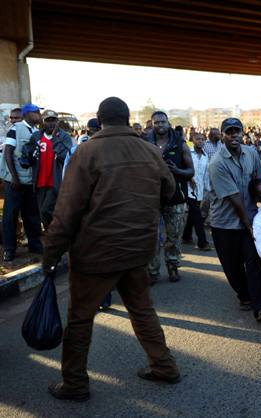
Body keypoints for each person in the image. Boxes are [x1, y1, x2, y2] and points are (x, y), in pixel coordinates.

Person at [42, 97, 180, 402]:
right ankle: (164, 365)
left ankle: (75, 383)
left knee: (80, 319)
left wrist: (50, 255)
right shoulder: (149, 151)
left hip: (96, 254)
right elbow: (169, 191)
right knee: (142, 310)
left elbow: (67, 212)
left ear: (101, 120)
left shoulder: (87, 152)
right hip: (138, 250)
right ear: (126, 118)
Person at [207, 117, 261, 322]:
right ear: (222, 135)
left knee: (253, 262)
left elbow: (260, 182)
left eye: (237, 131)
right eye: (229, 132)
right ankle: (244, 295)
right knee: (232, 266)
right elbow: (235, 199)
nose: (234, 135)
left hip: (250, 218)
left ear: (242, 133)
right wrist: (248, 225)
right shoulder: (217, 163)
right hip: (224, 223)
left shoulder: (251, 153)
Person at [146, 111, 194, 283]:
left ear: (168, 123)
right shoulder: (145, 142)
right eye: (156, 122)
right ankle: (152, 271)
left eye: (163, 122)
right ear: (152, 124)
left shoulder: (180, 143)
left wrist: (176, 171)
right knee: (152, 238)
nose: (160, 125)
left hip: (176, 198)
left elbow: (191, 171)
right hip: (151, 199)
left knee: (174, 237)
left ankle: (173, 266)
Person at [0, 104, 43, 261]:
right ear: (28, 114)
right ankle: (9, 250)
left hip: (31, 182)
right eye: (36, 112)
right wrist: (15, 178)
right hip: (15, 182)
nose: (39, 115)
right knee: (10, 216)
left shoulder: (37, 132)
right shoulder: (16, 129)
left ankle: (35, 245)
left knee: (32, 215)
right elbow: (8, 153)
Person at [24, 110, 73, 229]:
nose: (51, 124)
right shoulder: (36, 136)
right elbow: (29, 154)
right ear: (43, 122)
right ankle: (54, 235)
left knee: (46, 211)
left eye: (53, 120)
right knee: (42, 213)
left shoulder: (64, 136)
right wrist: (26, 158)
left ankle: (57, 235)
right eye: (48, 120)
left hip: (55, 182)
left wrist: (55, 140)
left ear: (57, 122)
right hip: (40, 181)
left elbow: (66, 156)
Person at [182, 133, 210, 251]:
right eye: (198, 139)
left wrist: (208, 189)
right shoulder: (188, 152)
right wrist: (188, 178)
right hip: (187, 188)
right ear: (192, 140)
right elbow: (182, 168)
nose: (200, 141)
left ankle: (186, 236)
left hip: (199, 190)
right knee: (197, 214)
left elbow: (206, 174)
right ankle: (202, 242)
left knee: (193, 214)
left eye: (202, 139)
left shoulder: (205, 156)